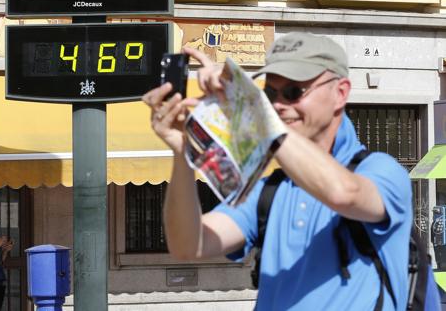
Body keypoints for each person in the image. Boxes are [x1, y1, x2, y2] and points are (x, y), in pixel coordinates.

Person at [143, 32, 412, 310]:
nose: (280, 105)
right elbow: (188, 245)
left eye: (295, 91)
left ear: (340, 93)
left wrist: (251, 110)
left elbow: (344, 193)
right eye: (271, 93)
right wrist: (182, 151)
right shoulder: (269, 190)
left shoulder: (383, 171)